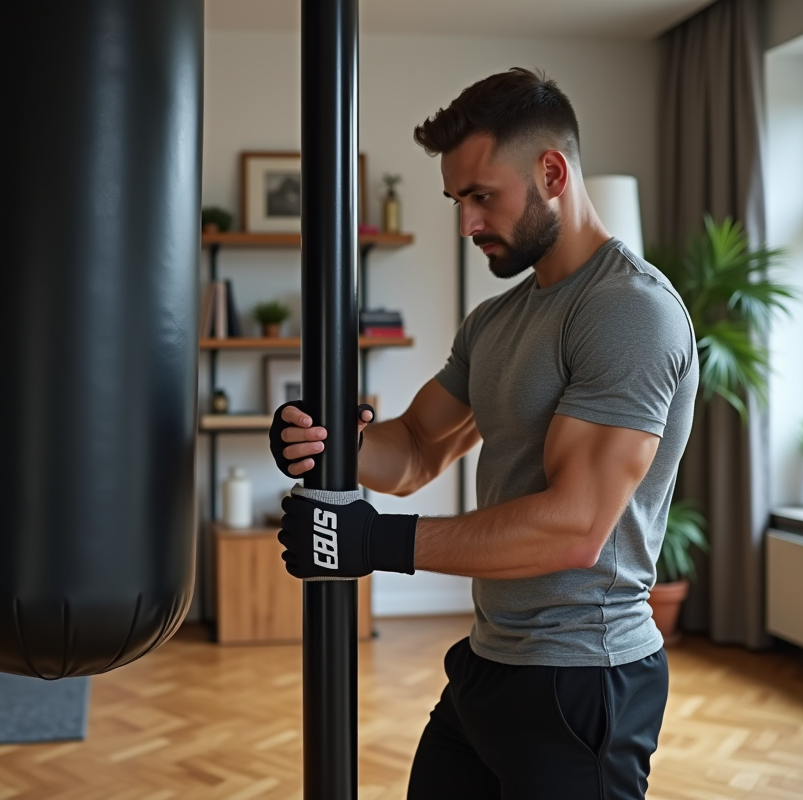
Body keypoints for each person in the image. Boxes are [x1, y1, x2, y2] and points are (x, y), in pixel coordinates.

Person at [268, 68, 698, 799]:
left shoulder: (628, 311)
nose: (465, 223)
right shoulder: (496, 323)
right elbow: (415, 451)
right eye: (456, 200)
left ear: (552, 172)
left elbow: (573, 530)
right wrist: (329, 442)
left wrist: (373, 543)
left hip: (583, 681)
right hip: (489, 661)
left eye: (480, 197)